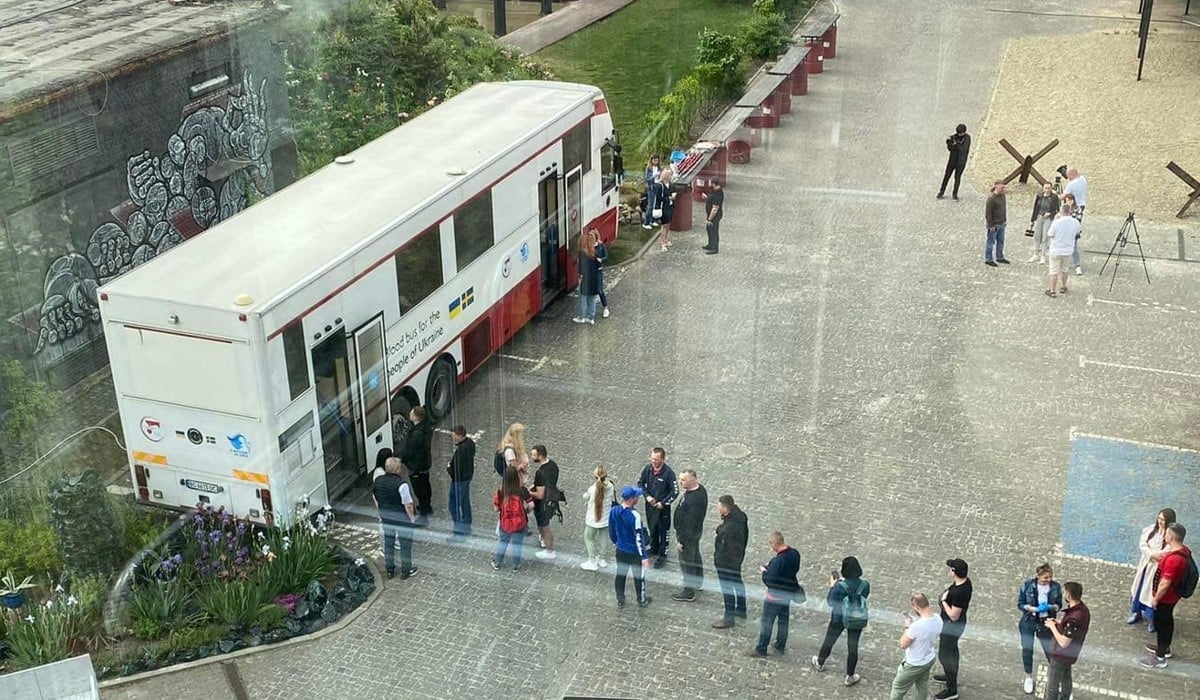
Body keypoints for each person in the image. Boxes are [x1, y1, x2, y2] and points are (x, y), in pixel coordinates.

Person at [1140, 522, 1192, 669]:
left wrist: (1156, 599)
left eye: (1167, 533)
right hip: (1172, 596)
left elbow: (1165, 583)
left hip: (1166, 598)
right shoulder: (1183, 551)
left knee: (1162, 624)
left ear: (1171, 537)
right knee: (1166, 621)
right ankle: (1164, 649)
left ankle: (1160, 657)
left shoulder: (1174, 560)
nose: (1165, 535)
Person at [812, 556, 870, 687]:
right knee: (853, 647)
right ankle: (850, 675)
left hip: (838, 618)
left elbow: (830, 602)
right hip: (856, 617)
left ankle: (820, 662)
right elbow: (864, 597)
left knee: (830, 640)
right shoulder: (865, 585)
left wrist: (833, 586)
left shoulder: (839, 586)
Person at [752, 531, 801, 658]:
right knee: (783, 620)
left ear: (774, 543)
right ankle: (780, 644)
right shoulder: (795, 553)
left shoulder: (778, 561)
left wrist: (764, 571)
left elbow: (769, 580)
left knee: (767, 622)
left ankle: (761, 648)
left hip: (775, 597)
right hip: (788, 593)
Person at [1017, 563, 1062, 695]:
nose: (1048, 580)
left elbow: (1059, 604)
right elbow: (1020, 603)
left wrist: (1051, 607)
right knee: (1027, 649)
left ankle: (1056, 680)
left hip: (1046, 623)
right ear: (1038, 577)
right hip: (1029, 621)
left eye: (1050, 577)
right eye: (1045, 578)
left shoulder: (1055, 587)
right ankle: (1028, 677)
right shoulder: (1027, 585)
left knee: (1051, 652)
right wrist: (1030, 608)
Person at [890, 593, 944, 699]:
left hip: (914, 663)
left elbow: (903, 644)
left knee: (898, 688)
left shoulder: (915, 627)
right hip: (929, 658)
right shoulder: (938, 618)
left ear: (917, 607)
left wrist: (907, 626)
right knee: (922, 685)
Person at [1129, 508, 1176, 629]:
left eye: (1163, 520)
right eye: (1159, 519)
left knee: (1151, 593)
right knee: (1139, 589)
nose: (1160, 522)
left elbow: (1168, 550)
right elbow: (1143, 543)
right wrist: (1150, 554)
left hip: (1156, 568)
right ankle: (1136, 612)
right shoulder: (1151, 530)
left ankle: (1153, 619)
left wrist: (1156, 555)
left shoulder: (1170, 535)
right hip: (1145, 565)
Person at [372, 457, 418, 580]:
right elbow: (408, 505)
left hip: (386, 517)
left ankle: (390, 570)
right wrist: (412, 519)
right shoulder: (402, 484)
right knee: (405, 544)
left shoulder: (378, 481)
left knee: (389, 543)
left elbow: (375, 496)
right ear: (397, 469)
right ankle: (406, 570)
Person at [1044, 581, 1091, 700]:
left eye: (1065, 592)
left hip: (1061, 655)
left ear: (1069, 596)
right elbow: (1074, 630)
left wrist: (1052, 626)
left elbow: (1064, 642)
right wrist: (1060, 624)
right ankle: (1066, 696)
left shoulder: (1073, 619)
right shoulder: (1083, 610)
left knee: (1052, 685)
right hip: (1071, 654)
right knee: (1066, 676)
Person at [935, 558, 973, 700]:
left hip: (951, 627)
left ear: (954, 571)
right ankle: (949, 676)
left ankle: (952, 689)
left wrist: (943, 601)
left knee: (945, 655)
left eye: (950, 568)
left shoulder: (959, 592)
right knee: (951, 652)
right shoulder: (965, 582)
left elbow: (954, 615)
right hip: (952, 626)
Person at [609, 485, 651, 608]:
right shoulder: (635, 516)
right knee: (639, 576)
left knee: (620, 575)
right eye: (637, 497)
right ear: (632, 499)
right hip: (634, 552)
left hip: (621, 549)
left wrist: (616, 542)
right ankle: (641, 599)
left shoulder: (614, 511)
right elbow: (639, 538)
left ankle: (620, 599)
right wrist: (644, 556)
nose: (638, 498)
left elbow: (611, 530)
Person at [711, 495, 749, 629]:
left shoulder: (729, 529)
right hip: (737, 558)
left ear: (726, 508)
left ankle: (729, 618)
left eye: (719, 506)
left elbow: (723, 546)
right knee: (737, 582)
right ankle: (741, 608)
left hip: (726, 562)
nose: (717, 508)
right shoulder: (741, 517)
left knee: (727, 588)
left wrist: (717, 560)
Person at [636, 447, 678, 569]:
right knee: (652, 528)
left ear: (663, 459)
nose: (654, 462)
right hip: (650, 507)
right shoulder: (648, 469)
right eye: (652, 459)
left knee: (664, 531)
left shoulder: (669, 473)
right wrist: (647, 496)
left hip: (663, 509)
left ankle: (662, 555)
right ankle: (654, 547)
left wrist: (663, 503)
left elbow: (674, 492)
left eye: (657, 459)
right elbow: (640, 483)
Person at [671, 469, 708, 602]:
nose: (680, 482)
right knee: (695, 556)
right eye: (680, 479)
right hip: (694, 534)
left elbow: (690, 524)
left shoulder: (694, 500)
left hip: (688, 536)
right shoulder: (699, 490)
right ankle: (697, 581)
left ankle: (689, 591)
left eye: (683, 480)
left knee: (687, 562)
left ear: (693, 479)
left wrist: (681, 541)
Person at [491, 466, 532, 571]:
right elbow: (531, 505)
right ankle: (516, 565)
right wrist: (525, 511)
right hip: (519, 523)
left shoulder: (501, 491)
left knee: (503, 542)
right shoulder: (522, 490)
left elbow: (496, 508)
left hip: (505, 523)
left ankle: (497, 563)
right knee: (517, 544)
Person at [400, 406, 433, 524]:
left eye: (411, 413)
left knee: (420, 490)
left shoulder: (416, 434)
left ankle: (424, 516)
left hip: (417, 466)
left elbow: (410, 450)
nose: (409, 414)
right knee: (426, 485)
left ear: (415, 417)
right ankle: (427, 507)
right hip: (425, 463)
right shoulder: (426, 428)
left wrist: (403, 460)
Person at [580, 465, 616, 571]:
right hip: (605, 518)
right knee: (604, 538)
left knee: (588, 537)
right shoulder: (610, 487)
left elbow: (585, 497)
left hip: (593, 519)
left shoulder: (592, 489)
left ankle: (592, 561)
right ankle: (602, 559)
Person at [530, 445, 561, 560]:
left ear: (540, 456)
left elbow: (539, 494)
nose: (532, 457)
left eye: (534, 455)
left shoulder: (540, 473)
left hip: (542, 504)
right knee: (544, 525)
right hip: (551, 498)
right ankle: (544, 540)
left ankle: (549, 550)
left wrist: (529, 493)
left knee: (544, 527)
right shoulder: (553, 465)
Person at [1044, 203, 1080, 298]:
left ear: (1061, 211)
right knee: (1065, 269)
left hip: (1056, 249)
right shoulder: (1075, 222)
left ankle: (1052, 290)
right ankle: (1063, 286)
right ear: (1070, 211)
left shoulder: (1057, 222)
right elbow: (1077, 232)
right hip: (1068, 250)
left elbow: (1050, 234)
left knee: (1053, 271)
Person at [446, 426, 475, 541]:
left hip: (459, 480)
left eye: (453, 435)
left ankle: (459, 531)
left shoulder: (461, 451)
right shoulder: (470, 444)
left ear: (459, 435)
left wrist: (449, 468)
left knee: (454, 505)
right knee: (464, 501)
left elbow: (455, 471)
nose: (452, 437)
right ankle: (467, 524)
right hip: (467, 477)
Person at [573, 229, 603, 325]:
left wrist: (579, 278)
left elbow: (581, 268)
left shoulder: (582, 253)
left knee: (583, 298)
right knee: (592, 299)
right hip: (594, 279)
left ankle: (581, 317)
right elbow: (599, 265)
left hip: (585, 279)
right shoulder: (594, 253)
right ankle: (591, 317)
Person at [1062, 168, 1088, 275]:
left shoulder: (1071, 185)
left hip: (1074, 212)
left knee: (1072, 240)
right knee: (1073, 240)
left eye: (1068, 176)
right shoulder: (1082, 179)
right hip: (1081, 207)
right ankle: (1074, 264)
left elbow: (1063, 196)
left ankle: (1075, 264)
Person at [1028, 182, 1060, 263]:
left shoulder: (1054, 197)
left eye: (1049, 188)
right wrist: (1032, 220)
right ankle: (1035, 254)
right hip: (1039, 216)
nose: (1047, 190)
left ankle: (1043, 255)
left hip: (1048, 218)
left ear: (1051, 189)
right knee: (1037, 235)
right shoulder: (1039, 196)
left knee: (1045, 236)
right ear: (1043, 188)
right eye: (1046, 188)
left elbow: (1057, 209)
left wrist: (1050, 213)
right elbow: (1035, 208)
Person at [937, 124, 970, 200]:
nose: (959, 135)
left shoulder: (967, 138)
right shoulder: (953, 137)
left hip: (961, 162)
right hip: (952, 161)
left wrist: (956, 145)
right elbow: (950, 149)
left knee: (957, 178)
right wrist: (950, 144)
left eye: (960, 133)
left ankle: (955, 194)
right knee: (946, 176)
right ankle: (941, 191)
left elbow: (963, 150)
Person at [984, 181, 1009, 267]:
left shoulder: (1003, 196)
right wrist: (991, 225)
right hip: (994, 225)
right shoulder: (991, 199)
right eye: (1002, 188)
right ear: (996, 187)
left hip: (1002, 223)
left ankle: (1000, 257)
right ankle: (988, 259)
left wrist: (1005, 220)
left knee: (1001, 242)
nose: (1003, 189)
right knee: (991, 242)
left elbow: (1003, 209)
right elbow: (988, 214)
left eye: (1004, 188)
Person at [656, 166, 677, 252]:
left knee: (668, 224)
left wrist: (674, 196)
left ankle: (666, 239)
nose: (670, 176)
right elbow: (659, 197)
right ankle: (662, 243)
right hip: (664, 207)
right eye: (669, 174)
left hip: (671, 206)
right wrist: (669, 198)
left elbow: (674, 192)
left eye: (671, 174)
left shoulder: (672, 184)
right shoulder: (660, 185)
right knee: (664, 225)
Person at [703, 179, 724, 255]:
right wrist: (706, 198)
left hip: (714, 216)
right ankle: (710, 244)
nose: (708, 184)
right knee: (709, 229)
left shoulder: (718, 194)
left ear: (714, 184)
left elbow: (715, 208)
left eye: (710, 183)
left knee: (713, 231)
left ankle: (715, 248)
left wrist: (709, 219)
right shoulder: (714, 191)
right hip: (710, 215)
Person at [642, 155, 662, 229]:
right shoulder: (649, 168)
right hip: (652, 187)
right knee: (651, 205)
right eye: (654, 160)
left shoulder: (659, 168)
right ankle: (646, 223)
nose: (655, 162)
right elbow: (647, 178)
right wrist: (653, 175)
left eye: (657, 160)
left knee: (656, 204)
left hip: (658, 186)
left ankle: (653, 220)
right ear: (651, 160)